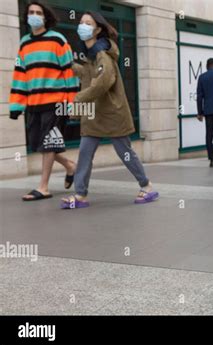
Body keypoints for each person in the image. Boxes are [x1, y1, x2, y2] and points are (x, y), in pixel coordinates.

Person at [60, 11, 158, 209]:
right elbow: (88, 75)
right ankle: (80, 195)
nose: (83, 26)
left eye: (88, 23)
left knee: (125, 152)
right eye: (81, 22)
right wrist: (70, 66)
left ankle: (147, 186)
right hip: (94, 114)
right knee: (85, 152)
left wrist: (78, 98)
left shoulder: (103, 54)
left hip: (113, 113)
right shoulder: (90, 55)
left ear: (97, 29)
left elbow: (103, 82)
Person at [9, 1, 79, 201]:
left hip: (56, 102)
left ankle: (43, 187)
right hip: (33, 103)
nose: (34, 15)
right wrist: (16, 105)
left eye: (38, 12)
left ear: (45, 17)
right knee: (38, 145)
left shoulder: (58, 40)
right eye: (31, 12)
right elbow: (20, 75)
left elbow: (70, 72)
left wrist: (71, 103)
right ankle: (69, 165)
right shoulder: (24, 43)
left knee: (48, 144)